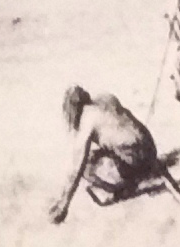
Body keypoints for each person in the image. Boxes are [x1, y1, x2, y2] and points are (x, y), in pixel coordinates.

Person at [49, 84, 167, 221]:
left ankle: (124, 185)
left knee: (87, 167)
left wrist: (63, 204)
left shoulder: (87, 119)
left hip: (135, 159)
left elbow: (77, 166)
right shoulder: (106, 98)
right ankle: (135, 175)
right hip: (149, 149)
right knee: (99, 153)